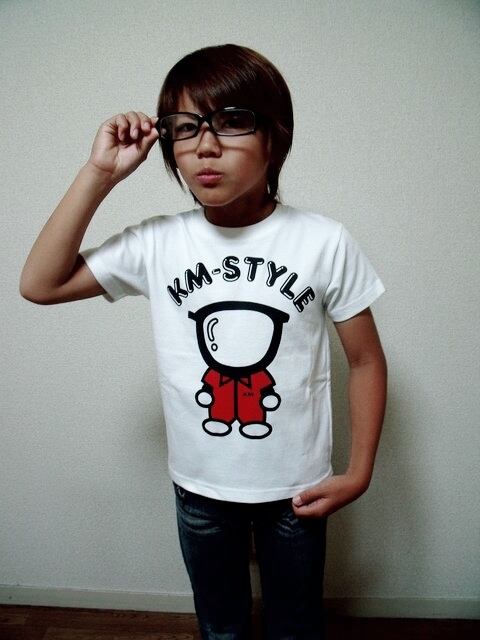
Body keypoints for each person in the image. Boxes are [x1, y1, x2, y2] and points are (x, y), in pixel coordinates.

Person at [20, 44, 387, 640]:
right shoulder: (158, 243)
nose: (204, 146)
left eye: (231, 121)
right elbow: (40, 284)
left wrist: (359, 471)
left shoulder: (324, 241)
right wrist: (99, 174)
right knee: (220, 629)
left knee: (296, 629)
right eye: (185, 128)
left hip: (299, 490)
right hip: (199, 490)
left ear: (275, 137)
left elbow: (366, 361)